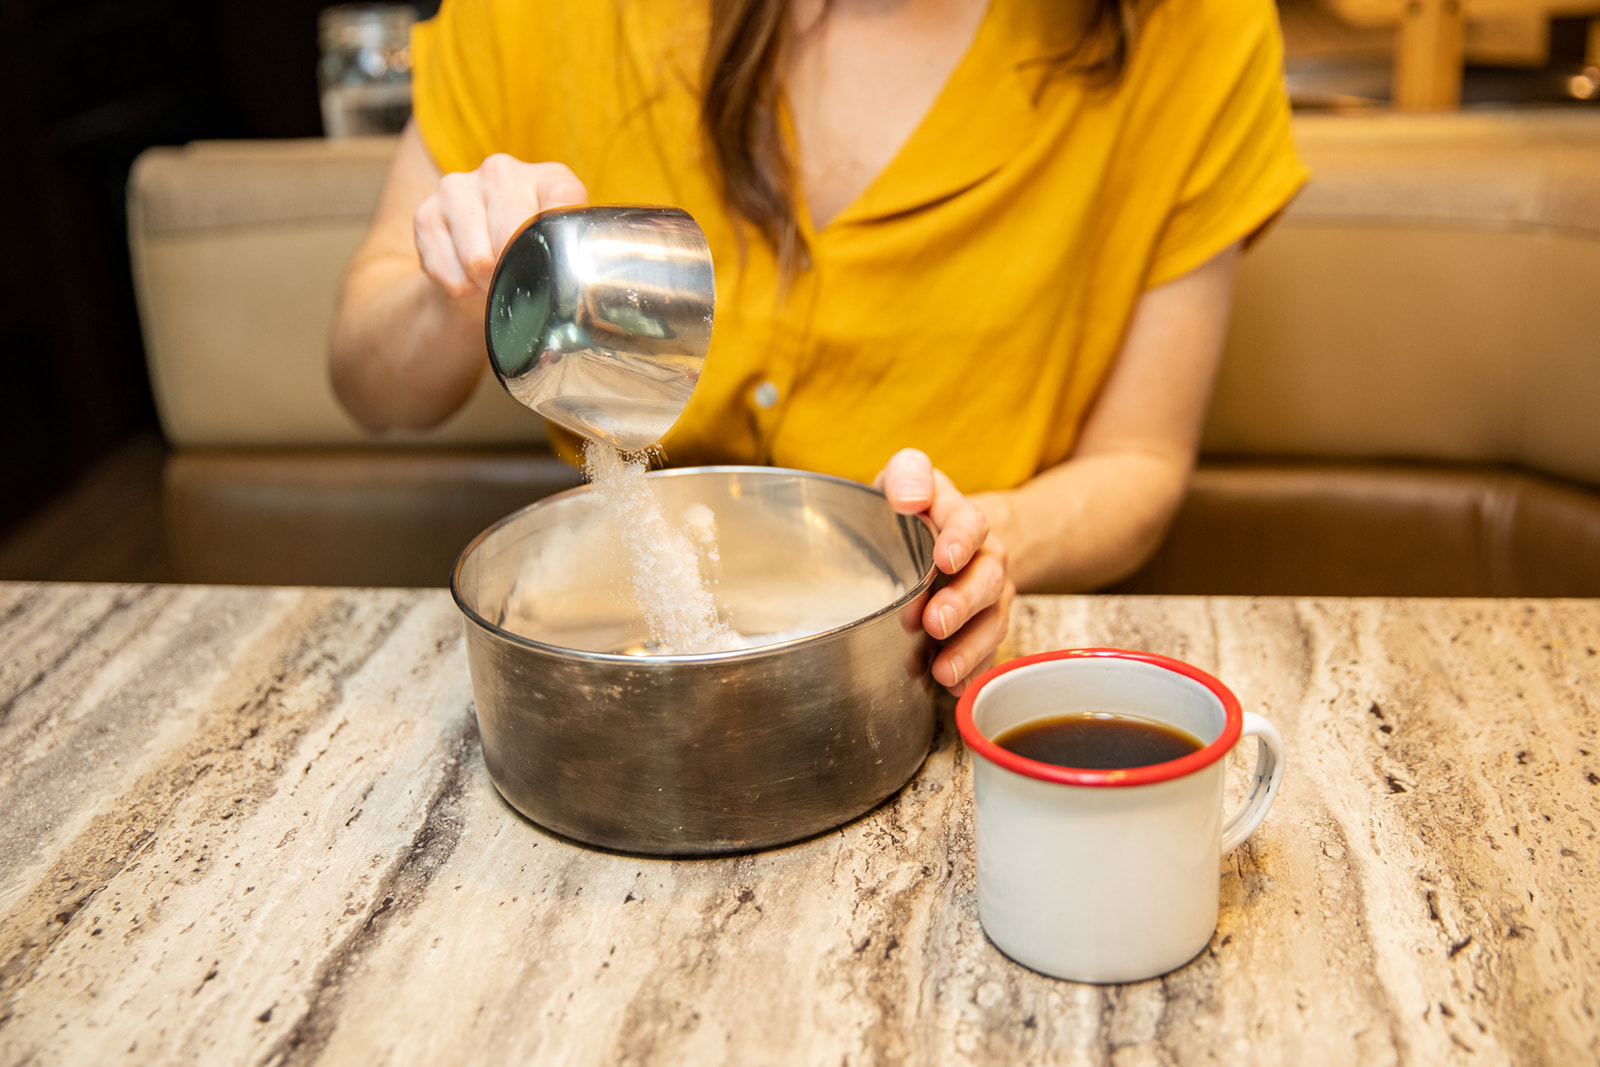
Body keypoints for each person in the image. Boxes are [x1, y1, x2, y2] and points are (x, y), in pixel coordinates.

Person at [329, 0, 1309, 694]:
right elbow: (368, 380)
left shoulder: (1193, 29)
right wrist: (461, 288)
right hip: (603, 651)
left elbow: (1138, 461)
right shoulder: (547, 18)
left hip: (924, 684)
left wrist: (988, 542)